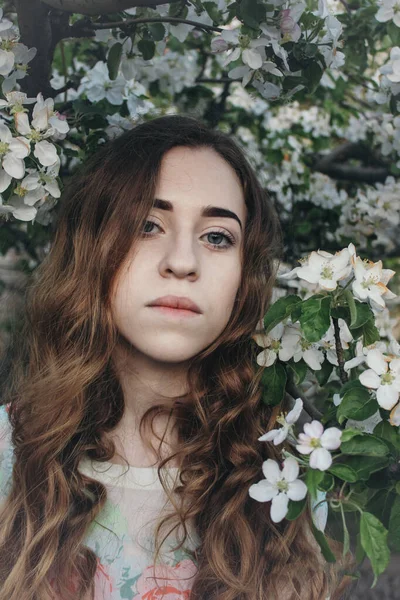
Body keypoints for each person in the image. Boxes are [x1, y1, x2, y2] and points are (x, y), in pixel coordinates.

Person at [0, 115, 349, 599]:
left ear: (244, 276)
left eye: (217, 237)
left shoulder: (286, 473)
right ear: (93, 248)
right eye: (148, 225)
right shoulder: (8, 452)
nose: (182, 262)